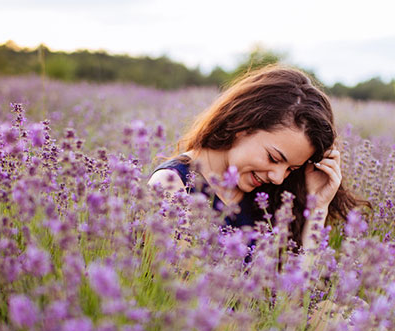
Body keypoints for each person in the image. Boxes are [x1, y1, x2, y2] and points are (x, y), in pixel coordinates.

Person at [148, 65, 365, 252]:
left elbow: (298, 294)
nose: (279, 177)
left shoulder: (270, 197)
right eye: (273, 158)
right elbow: (182, 290)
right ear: (243, 124)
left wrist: (318, 207)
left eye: (292, 168)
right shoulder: (172, 187)